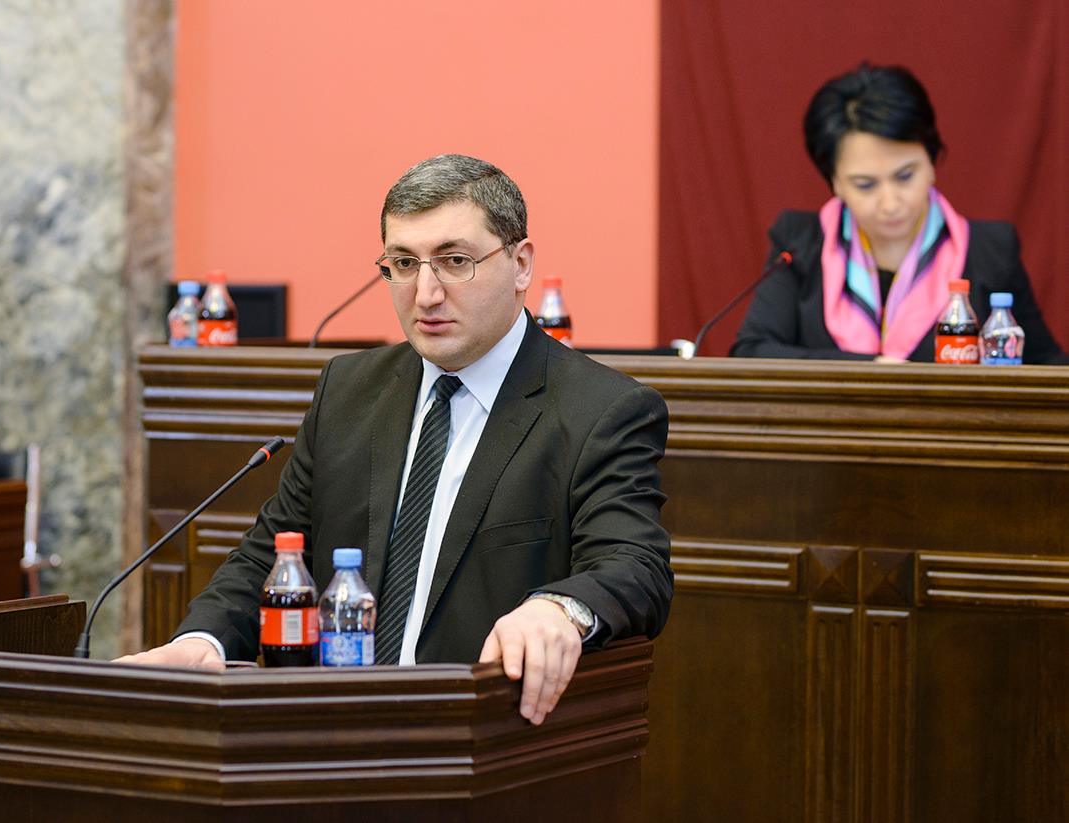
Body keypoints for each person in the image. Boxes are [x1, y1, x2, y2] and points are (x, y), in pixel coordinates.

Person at [119, 154, 674, 725]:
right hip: (335, 733)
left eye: (455, 261)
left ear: (521, 264)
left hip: (484, 738)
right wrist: (204, 641)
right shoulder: (348, 390)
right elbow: (274, 552)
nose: (425, 294)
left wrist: (559, 609)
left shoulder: (600, 411)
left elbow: (635, 564)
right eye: (404, 263)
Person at [731, 64, 1067, 364]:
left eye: (905, 176)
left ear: (932, 162)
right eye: (865, 185)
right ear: (834, 182)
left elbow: (1047, 367)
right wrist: (872, 370)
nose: (890, 202)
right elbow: (751, 351)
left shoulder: (990, 250)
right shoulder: (799, 244)